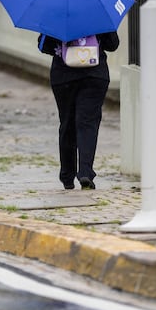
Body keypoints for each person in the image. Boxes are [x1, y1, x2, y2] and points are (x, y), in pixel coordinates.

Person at [38, 30, 120, 190]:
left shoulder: (56, 17)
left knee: (67, 123)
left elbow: (44, 46)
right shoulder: (98, 16)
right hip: (94, 75)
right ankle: (85, 172)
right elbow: (112, 44)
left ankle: (67, 176)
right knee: (88, 123)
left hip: (64, 77)